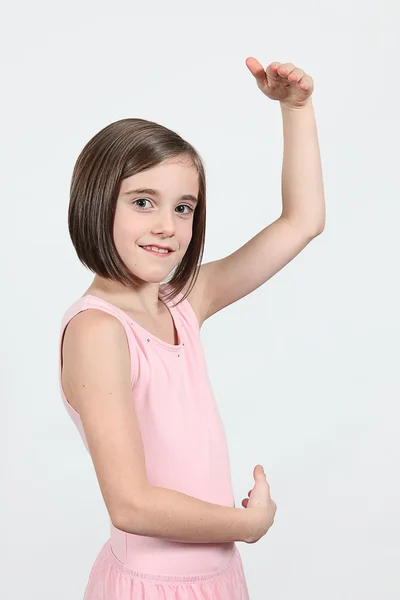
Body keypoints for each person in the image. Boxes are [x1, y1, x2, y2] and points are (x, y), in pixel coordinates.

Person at [58, 58, 325, 599]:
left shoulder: (184, 301)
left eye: (184, 207)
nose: (167, 226)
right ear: (95, 203)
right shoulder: (98, 331)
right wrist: (246, 526)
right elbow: (130, 502)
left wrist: (296, 110)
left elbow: (303, 221)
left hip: (216, 580)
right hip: (152, 587)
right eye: (142, 203)